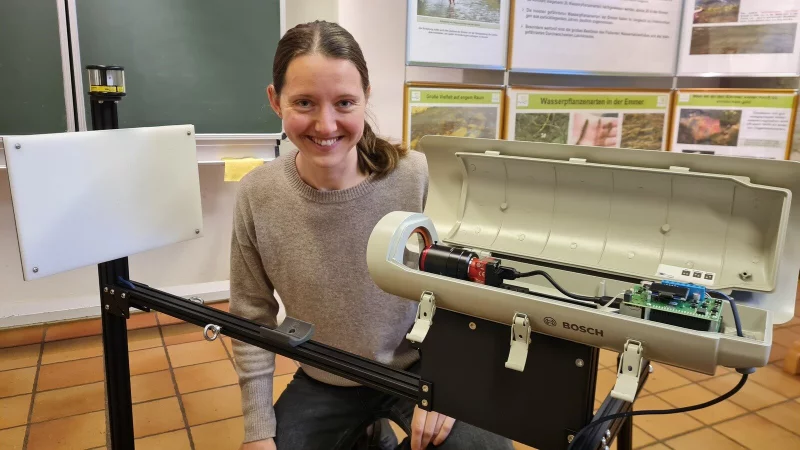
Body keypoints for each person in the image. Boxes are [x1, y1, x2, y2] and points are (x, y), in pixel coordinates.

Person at [229, 20, 513, 450]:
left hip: (421, 368)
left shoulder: (415, 176)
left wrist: (451, 383)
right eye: (304, 102)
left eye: (344, 102)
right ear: (275, 101)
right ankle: (369, 435)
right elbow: (251, 314)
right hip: (324, 374)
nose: (325, 125)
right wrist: (257, 431)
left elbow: (465, 293)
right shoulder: (257, 194)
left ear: (366, 97)